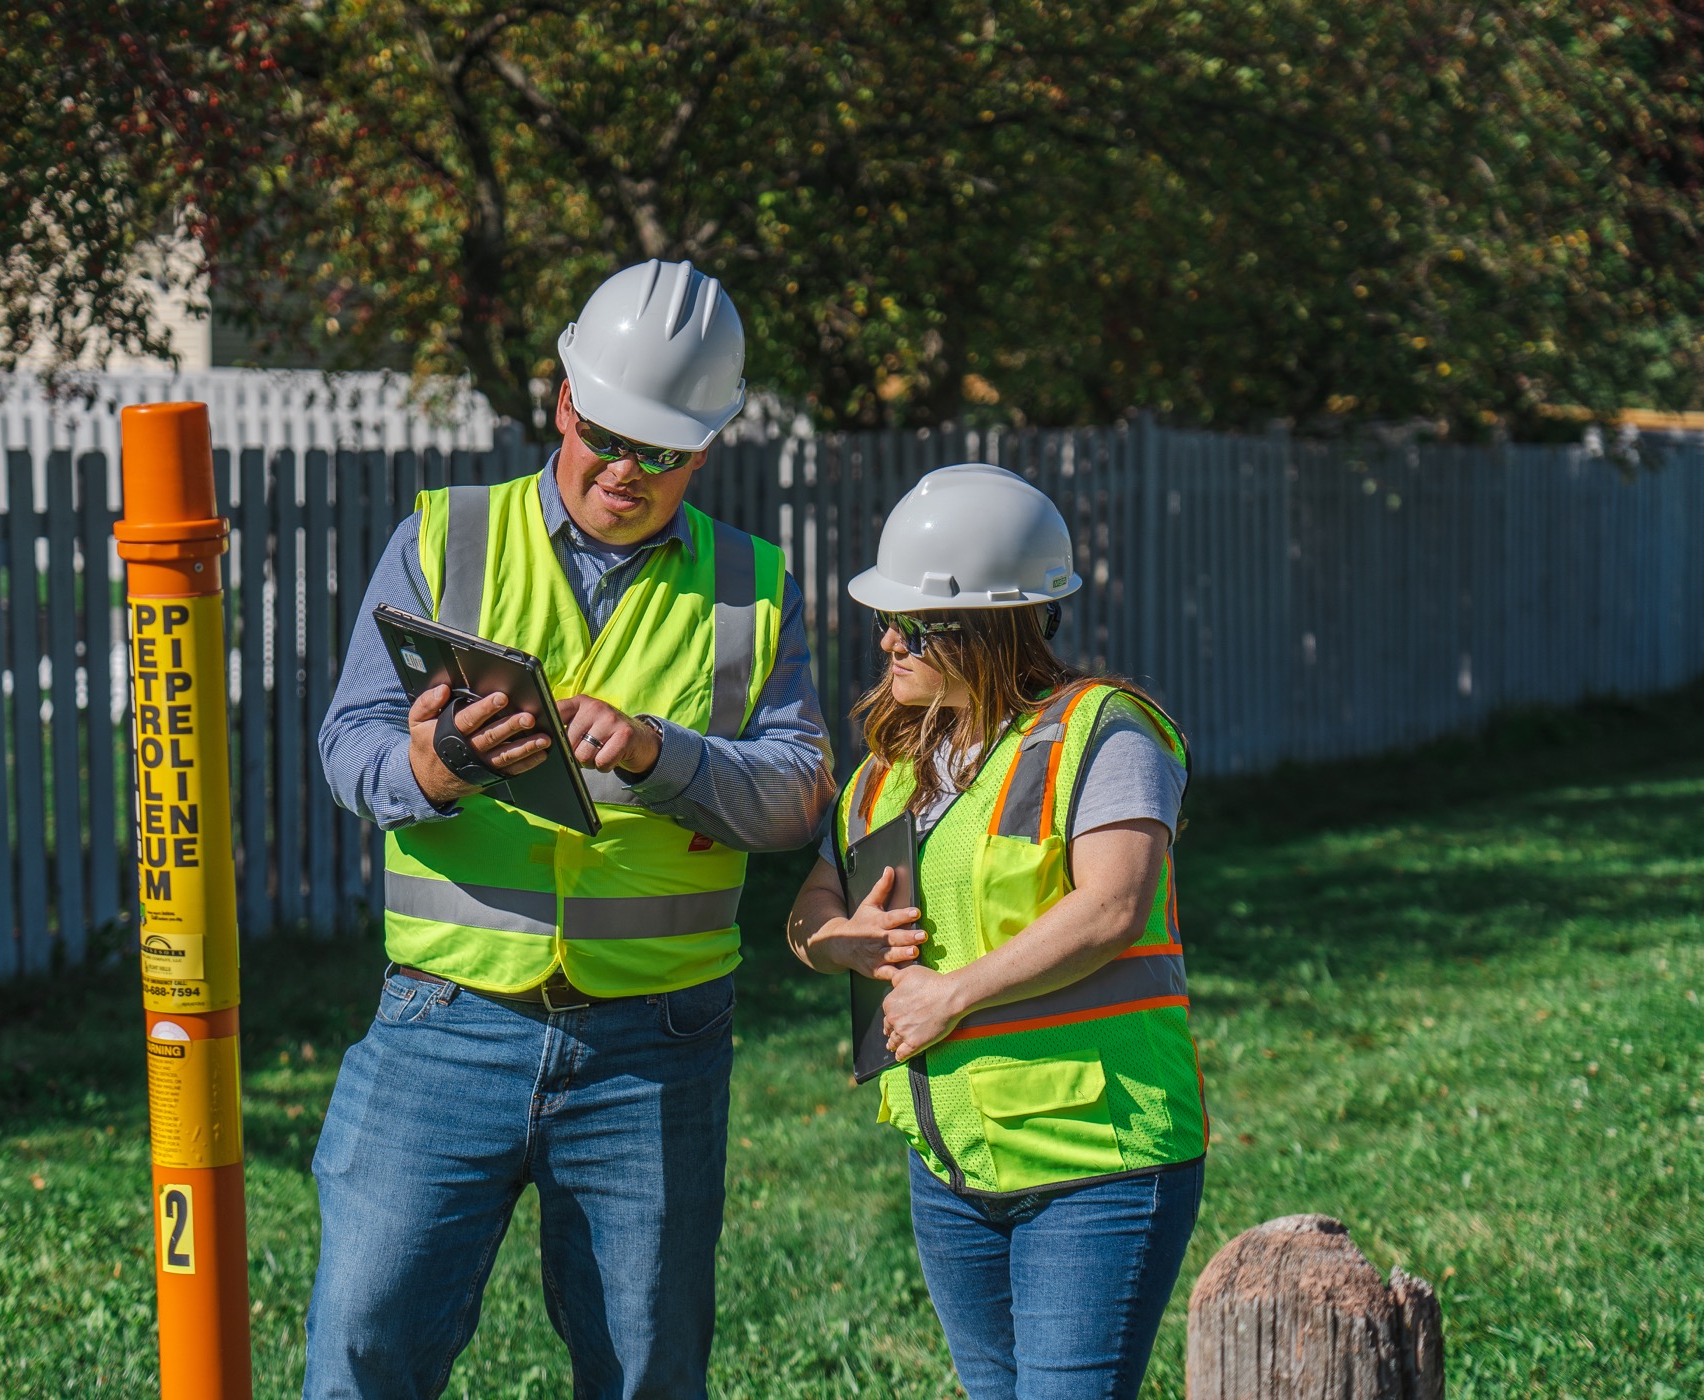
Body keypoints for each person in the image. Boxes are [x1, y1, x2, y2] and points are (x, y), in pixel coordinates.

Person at [309, 258, 835, 1399]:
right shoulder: (446, 537)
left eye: (665, 450)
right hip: (443, 1021)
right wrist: (435, 764)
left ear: (710, 445)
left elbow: (798, 794)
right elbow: (345, 743)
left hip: (655, 1043)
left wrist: (661, 750)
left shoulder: (751, 586)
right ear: (563, 400)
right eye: (609, 434)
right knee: (361, 1349)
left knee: (646, 1369)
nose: (628, 469)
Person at [784, 463, 1205, 1400]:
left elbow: (1113, 906)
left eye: (913, 624)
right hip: (951, 1166)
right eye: (884, 618)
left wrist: (955, 992)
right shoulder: (889, 771)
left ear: (988, 627)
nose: (886, 638)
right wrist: (833, 940)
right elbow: (811, 908)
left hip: (1097, 1157)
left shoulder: (1103, 733)